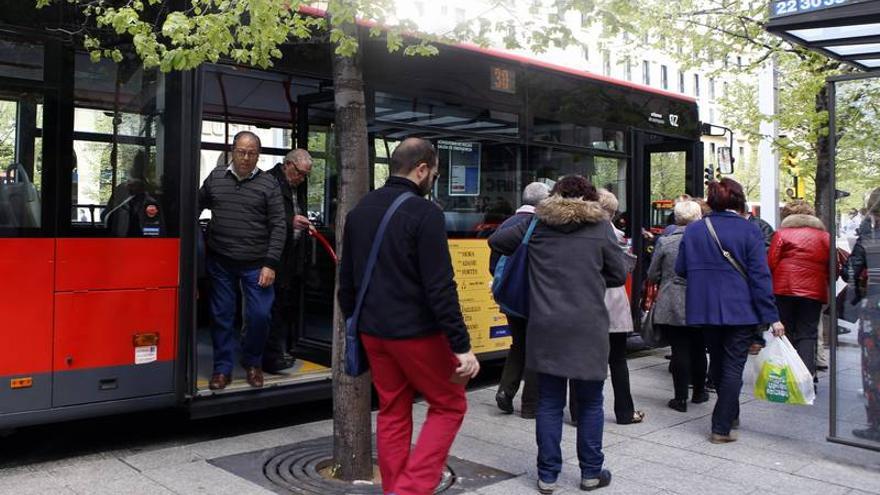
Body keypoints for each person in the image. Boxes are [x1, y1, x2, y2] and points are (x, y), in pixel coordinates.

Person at [338, 138, 479, 495]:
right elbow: (440, 286)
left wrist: (359, 321)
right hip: (416, 333)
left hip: (373, 332)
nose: (434, 178)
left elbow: (347, 283)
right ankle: (410, 490)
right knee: (449, 404)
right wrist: (461, 345)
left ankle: (395, 488)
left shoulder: (360, 210)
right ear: (421, 169)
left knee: (393, 410)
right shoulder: (425, 213)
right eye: (434, 171)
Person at [489, 175, 626, 493]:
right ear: (591, 198)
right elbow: (618, 273)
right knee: (591, 402)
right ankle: (591, 472)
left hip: (545, 325)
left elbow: (496, 242)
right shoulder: (602, 226)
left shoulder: (536, 224)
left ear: (554, 196)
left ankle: (547, 475)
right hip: (588, 326)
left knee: (549, 402)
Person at [675, 178, 784, 444]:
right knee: (734, 366)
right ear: (739, 199)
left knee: (720, 362)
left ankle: (730, 415)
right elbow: (760, 276)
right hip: (741, 308)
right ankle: (721, 426)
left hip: (705, 307)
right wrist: (772, 316)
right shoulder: (749, 231)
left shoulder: (694, 230)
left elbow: (681, 269)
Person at [198, 131, 286, 390]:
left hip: (257, 264)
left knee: (259, 316)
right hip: (221, 261)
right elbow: (194, 205)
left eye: (252, 153)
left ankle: (252, 362)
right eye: (241, 152)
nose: (246, 158)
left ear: (258, 155)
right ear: (233, 151)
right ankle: (222, 369)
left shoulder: (269, 185)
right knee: (221, 316)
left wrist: (270, 263)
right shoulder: (215, 178)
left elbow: (279, 226)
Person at [490, 182, 550, 419]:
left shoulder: (506, 224)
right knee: (535, 349)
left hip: (511, 297)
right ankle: (530, 405)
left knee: (518, 344)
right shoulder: (541, 225)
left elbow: (494, 263)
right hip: (535, 297)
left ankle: (505, 390)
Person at [647, 200, 707, 413]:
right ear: (698, 216)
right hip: (701, 300)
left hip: (672, 300)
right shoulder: (708, 240)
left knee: (679, 349)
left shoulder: (666, 242)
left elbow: (652, 274)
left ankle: (680, 398)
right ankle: (700, 392)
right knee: (699, 348)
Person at [597, 188, 644, 425]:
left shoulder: (581, 229)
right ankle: (625, 411)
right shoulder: (615, 234)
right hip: (613, 301)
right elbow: (621, 270)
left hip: (589, 301)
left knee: (586, 358)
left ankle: (576, 411)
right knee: (617, 359)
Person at [767, 200, 830, 380]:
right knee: (808, 333)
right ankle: (807, 377)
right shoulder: (824, 236)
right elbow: (833, 266)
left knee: (786, 330)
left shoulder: (782, 234)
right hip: (813, 290)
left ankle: (789, 376)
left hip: (784, 287)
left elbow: (771, 262)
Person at [263, 149, 313, 373]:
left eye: (305, 176)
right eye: (300, 173)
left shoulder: (297, 186)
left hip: (292, 255)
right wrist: (290, 221)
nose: (302, 179)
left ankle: (279, 351)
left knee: (283, 307)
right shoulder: (268, 182)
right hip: (271, 256)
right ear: (288, 165)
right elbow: (261, 216)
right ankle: (270, 357)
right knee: (268, 308)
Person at [843, 188, 880, 442]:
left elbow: (851, 272)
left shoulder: (871, 232)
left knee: (873, 367)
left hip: (875, 306)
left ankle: (876, 423)